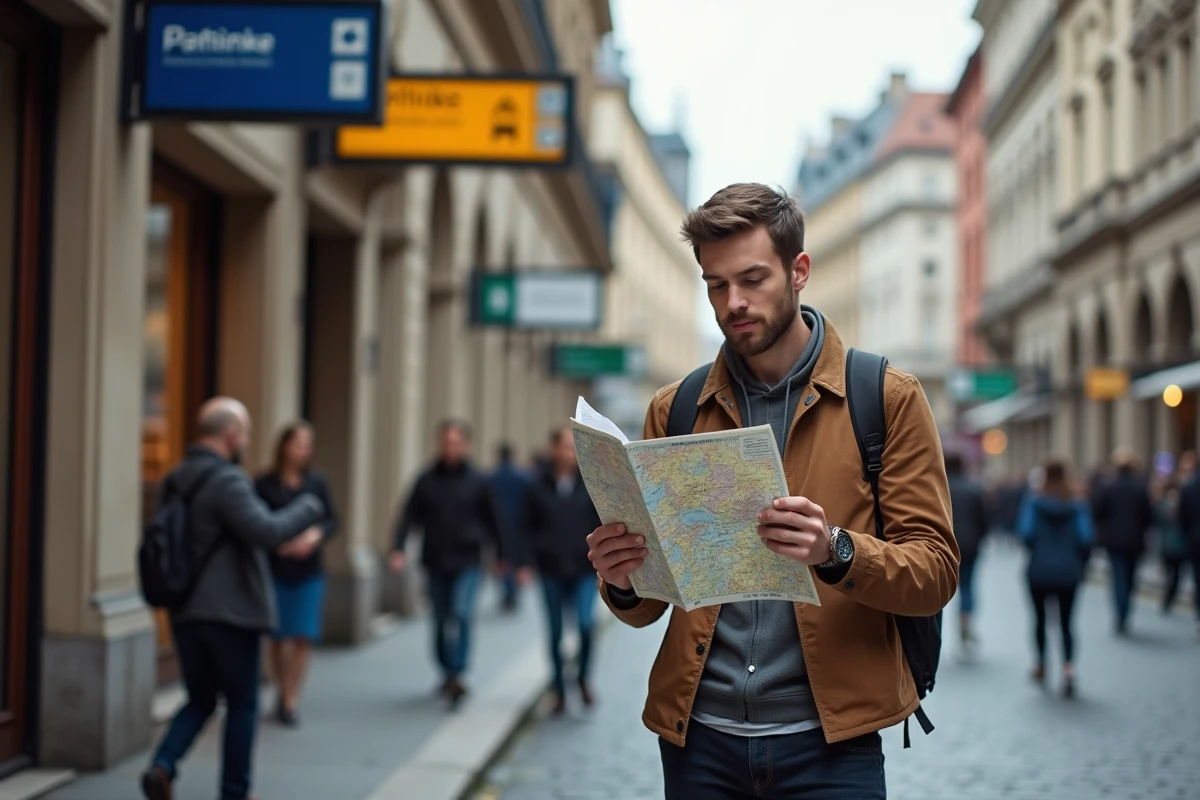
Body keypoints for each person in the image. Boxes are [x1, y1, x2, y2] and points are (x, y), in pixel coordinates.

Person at [587, 183, 959, 799]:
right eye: (715, 285)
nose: (733, 302)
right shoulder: (676, 409)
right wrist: (622, 579)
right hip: (700, 744)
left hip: (832, 748)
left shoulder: (886, 397)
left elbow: (936, 572)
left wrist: (836, 550)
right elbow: (649, 606)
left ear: (799, 270)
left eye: (753, 279)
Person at [141, 398, 326, 800]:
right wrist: (310, 507)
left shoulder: (176, 477)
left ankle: (162, 766)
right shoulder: (227, 480)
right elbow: (267, 531)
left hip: (185, 610)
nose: (246, 442)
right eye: (244, 434)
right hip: (231, 613)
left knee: (200, 699)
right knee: (242, 703)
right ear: (230, 434)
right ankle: (234, 792)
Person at [388, 420, 508, 707]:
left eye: (456, 443)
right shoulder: (426, 480)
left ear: (466, 445)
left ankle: (457, 673)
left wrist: (503, 555)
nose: (451, 448)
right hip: (435, 560)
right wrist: (398, 549)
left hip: (469, 560)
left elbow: (495, 520)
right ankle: (446, 670)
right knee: (441, 619)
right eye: (446, 442)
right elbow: (408, 516)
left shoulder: (479, 481)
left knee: (462, 613)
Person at [254, 421, 339, 727]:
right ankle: (281, 688)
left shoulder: (317, 482)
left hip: (308, 570)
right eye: (298, 443)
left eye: (308, 444)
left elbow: (332, 520)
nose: (303, 449)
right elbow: (256, 522)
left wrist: (314, 537)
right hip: (276, 568)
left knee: (303, 635)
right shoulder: (264, 484)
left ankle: (291, 698)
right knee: (278, 637)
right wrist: (279, 542)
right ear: (284, 446)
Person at [523, 426, 603, 714]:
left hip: (584, 569)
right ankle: (558, 690)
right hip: (550, 570)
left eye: (575, 447)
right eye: (567, 446)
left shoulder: (591, 484)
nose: (571, 452)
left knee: (586, 625)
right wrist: (525, 562)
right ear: (554, 449)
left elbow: (602, 523)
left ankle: (582, 678)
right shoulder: (536, 485)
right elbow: (525, 526)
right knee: (555, 633)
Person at [1016, 458, 1093, 698]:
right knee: (1067, 623)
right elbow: (1086, 537)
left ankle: (1041, 664)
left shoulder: (1033, 501)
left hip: (1038, 570)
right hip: (1068, 571)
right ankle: (1068, 668)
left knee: (1039, 620)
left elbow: (1026, 533)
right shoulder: (1077, 504)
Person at [1092, 447, 1153, 634]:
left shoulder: (1107, 487)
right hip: (1135, 540)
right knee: (1130, 577)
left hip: (1114, 540)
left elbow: (1097, 513)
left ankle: (1121, 614)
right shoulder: (1140, 488)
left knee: (1118, 577)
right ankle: (1125, 611)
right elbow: (1148, 516)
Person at [945, 452, 989, 649]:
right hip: (970, 545)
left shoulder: (941, 488)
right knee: (968, 585)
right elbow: (984, 520)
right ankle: (965, 619)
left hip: (946, 545)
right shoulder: (974, 489)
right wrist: (980, 538)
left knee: (939, 584)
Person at [490, 442, 531, 613]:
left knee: (503, 557)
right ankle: (513, 589)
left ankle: (508, 589)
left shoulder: (492, 478)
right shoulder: (522, 478)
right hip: (518, 523)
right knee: (515, 556)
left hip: (498, 523)